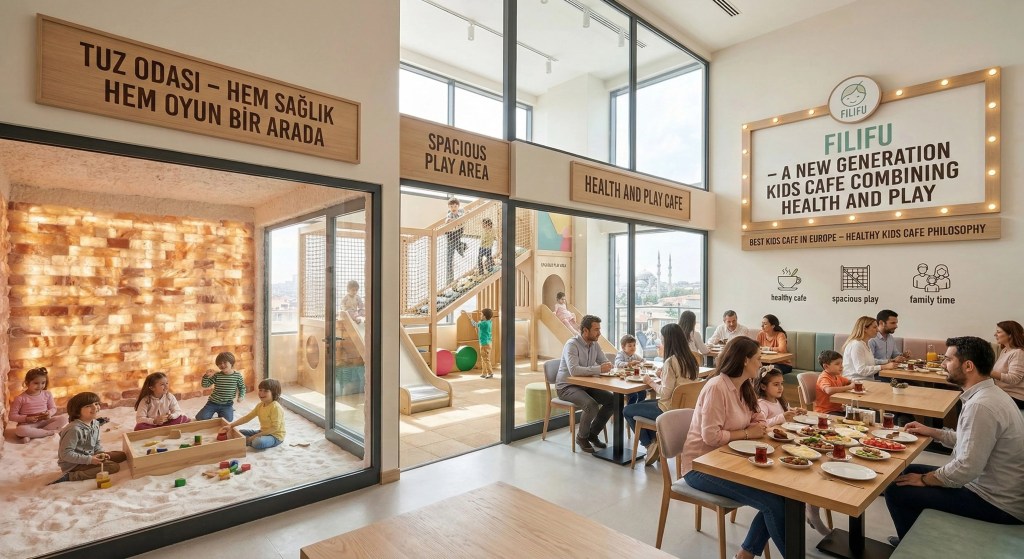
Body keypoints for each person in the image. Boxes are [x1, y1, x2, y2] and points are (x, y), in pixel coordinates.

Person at [884, 336, 1024, 546]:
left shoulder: (981, 406)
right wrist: (933, 432)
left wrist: (924, 480)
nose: (942, 364)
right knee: (903, 472)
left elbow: (966, 468)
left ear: (968, 366)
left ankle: (915, 548)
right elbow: (973, 441)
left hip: (995, 503)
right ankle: (916, 539)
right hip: (996, 489)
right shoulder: (990, 394)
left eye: (948, 360)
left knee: (897, 490)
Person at [679, 337, 782, 559]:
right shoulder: (717, 388)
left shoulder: (744, 387)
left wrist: (756, 427)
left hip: (729, 459)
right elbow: (710, 436)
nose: (761, 364)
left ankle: (746, 554)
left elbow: (759, 419)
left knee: (783, 496)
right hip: (701, 467)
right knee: (773, 502)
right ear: (745, 361)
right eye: (758, 359)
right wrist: (747, 433)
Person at [756, 367, 827, 535]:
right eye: (776, 384)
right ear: (764, 387)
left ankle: (811, 508)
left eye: (781, 384)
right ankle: (809, 511)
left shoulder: (780, 401)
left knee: (817, 465)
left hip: (788, 443)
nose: (780, 388)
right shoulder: (762, 404)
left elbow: (786, 418)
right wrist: (783, 417)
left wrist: (795, 412)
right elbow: (763, 424)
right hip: (774, 448)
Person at [623, 324, 698, 465]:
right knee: (642, 405)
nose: (660, 343)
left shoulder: (671, 361)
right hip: (686, 409)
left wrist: (650, 381)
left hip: (668, 409)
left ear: (669, 341)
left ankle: (649, 444)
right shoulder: (691, 359)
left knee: (627, 410)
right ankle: (655, 442)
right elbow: (680, 383)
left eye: (662, 340)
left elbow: (664, 394)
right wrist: (663, 375)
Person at [555, 315, 614, 454]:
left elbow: (604, 362)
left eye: (599, 329)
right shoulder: (572, 345)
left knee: (613, 400)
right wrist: (599, 369)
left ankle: (592, 434)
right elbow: (574, 370)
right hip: (566, 387)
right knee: (591, 405)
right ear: (585, 331)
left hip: (585, 386)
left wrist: (608, 365)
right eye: (596, 330)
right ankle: (582, 437)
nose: (599, 333)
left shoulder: (595, 344)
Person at [50, 392, 128, 484]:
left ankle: (98, 459)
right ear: (77, 411)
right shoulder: (73, 429)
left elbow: (96, 444)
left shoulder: (95, 423)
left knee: (122, 455)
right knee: (113, 467)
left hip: (89, 455)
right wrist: (90, 460)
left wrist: (100, 454)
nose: (95, 408)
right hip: (74, 464)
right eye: (88, 406)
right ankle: (70, 476)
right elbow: (66, 454)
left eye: (96, 404)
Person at [221, 379, 286, 450]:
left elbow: (275, 428)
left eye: (266, 391)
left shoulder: (275, 407)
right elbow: (247, 417)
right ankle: (247, 440)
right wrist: (230, 425)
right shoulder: (260, 405)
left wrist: (254, 437)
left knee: (257, 442)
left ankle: (248, 441)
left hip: (275, 436)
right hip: (262, 432)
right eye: (260, 390)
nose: (261, 393)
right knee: (239, 432)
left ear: (274, 393)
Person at [10, 367, 68, 443]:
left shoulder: (47, 394)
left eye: (43, 383)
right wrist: (26, 418)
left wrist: (49, 413)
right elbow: (12, 416)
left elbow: (53, 408)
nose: (40, 386)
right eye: (36, 383)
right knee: (20, 430)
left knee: (64, 418)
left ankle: (33, 435)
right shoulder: (20, 398)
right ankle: (51, 432)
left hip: (44, 422)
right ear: (27, 383)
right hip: (28, 425)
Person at [842, 316, 896, 382]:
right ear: (865, 329)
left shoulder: (865, 343)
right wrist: (883, 367)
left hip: (866, 380)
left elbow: (871, 362)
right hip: (856, 382)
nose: (878, 330)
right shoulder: (857, 345)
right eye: (874, 327)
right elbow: (861, 370)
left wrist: (888, 361)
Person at [196, 352, 246, 421]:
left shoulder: (237, 376)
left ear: (231, 362)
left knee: (228, 420)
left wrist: (241, 396)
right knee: (200, 418)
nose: (222, 365)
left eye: (225, 362)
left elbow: (242, 387)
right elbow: (205, 385)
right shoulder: (217, 375)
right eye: (220, 363)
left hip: (227, 404)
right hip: (213, 402)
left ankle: (227, 411)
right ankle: (218, 412)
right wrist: (206, 376)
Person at [991, 320, 1024, 409]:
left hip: (1016, 397)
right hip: (1003, 393)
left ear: (1010, 335)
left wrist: (987, 372)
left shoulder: (1018, 353)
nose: (995, 334)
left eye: (998, 332)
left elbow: (1014, 379)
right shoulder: (1005, 350)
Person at [815, 350, 854, 415]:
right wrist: (849, 387)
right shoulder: (824, 378)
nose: (841, 366)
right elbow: (828, 390)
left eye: (841, 363)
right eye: (837, 364)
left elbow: (849, 381)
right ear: (826, 366)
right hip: (826, 412)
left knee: (862, 414)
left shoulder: (837, 376)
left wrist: (854, 382)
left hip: (838, 410)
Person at [615, 334, 647, 405]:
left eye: (634, 345)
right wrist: (629, 363)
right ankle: (629, 410)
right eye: (630, 346)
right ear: (623, 347)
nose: (633, 347)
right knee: (633, 395)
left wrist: (640, 364)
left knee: (643, 392)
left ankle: (637, 407)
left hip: (632, 380)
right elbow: (618, 363)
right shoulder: (621, 354)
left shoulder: (634, 355)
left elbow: (643, 361)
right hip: (621, 380)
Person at [464, 308, 494, 379]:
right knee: (484, 358)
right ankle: (484, 373)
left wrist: (471, 319)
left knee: (485, 359)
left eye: (481, 314)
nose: (480, 315)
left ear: (484, 316)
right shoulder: (489, 322)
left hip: (484, 343)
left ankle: (490, 373)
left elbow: (475, 324)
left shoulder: (483, 323)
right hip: (488, 342)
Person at [444, 198, 466, 285]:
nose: (453, 208)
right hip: (450, 236)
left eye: (455, 206)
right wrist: (449, 221)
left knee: (458, 248)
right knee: (450, 257)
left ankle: (463, 246)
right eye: (451, 206)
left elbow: (463, 213)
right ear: (449, 207)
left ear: (458, 206)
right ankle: (449, 280)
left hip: (457, 234)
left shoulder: (460, 212)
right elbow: (447, 220)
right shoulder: (449, 214)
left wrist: (465, 213)